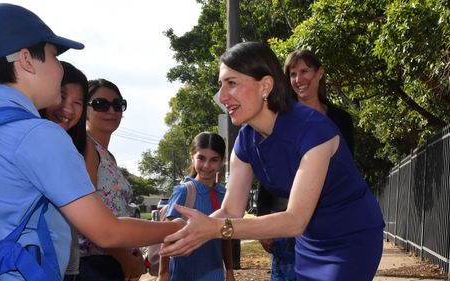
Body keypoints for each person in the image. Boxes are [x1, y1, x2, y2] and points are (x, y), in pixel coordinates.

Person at [0, 3, 183, 280]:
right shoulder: (35, 134)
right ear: (26, 60)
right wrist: (178, 228)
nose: (60, 70)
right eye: (53, 56)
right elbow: (106, 231)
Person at [160, 41, 385, 281]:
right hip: (310, 239)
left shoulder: (314, 129)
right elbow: (230, 210)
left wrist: (215, 229)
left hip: (351, 235)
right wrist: (180, 231)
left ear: (266, 86)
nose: (222, 97)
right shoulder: (245, 142)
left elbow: (295, 220)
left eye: (232, 83)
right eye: (220, 85)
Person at [255, 49, 357, 280]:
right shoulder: (277, 119)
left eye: (304, 71)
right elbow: (267, 170)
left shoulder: (341, 120)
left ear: (319, 73)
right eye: (292, 73)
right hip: (285, 220)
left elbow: (347, 172)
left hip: (330, 222)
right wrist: (263, 220)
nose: (298, 79)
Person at [79, 78, 144, 281]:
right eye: (100, 104)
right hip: (95, 264)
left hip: (113, 262)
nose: (111, 111)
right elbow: (87, 214)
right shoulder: (87, 148)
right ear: (84, 109)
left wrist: (135, 253)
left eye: (118, 105)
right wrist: (125, 258)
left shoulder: (107, 155)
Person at [157, 132, 235, 281]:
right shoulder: (184, 191)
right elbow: (167, 236)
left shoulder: (225, 195)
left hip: (216, 274)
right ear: (192, 156)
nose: (206, 165)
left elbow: (227, 238)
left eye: (214, 160)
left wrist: (230, 271)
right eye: (201, 158)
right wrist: (163, 274)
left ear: (222, 161)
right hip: (183, 274)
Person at [40, 60, 89, 281]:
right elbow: (103, 230)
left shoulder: (72, 148)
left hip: (66, 268)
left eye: (78, 102)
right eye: (61, 95)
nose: (67, 109)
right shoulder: (39, 142)